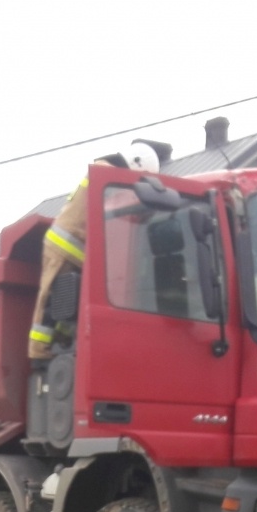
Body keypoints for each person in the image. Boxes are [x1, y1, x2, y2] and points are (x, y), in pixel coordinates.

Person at [27, 144, 161, 359]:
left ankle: (61, 342)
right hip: (63, 246)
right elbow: (121, 204)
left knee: (68, 303)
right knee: (51, 300)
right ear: (136, 164)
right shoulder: (105, 172)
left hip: (75, 249)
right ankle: (38, 352)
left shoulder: (106, 173)